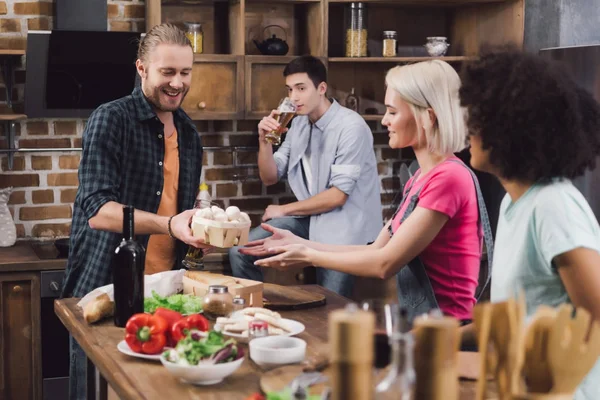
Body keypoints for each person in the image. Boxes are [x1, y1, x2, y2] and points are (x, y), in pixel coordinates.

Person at [243, 60, 494, 323]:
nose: (384, 120)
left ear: (427, 117)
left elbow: (384, 263)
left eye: (392, 112)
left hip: (447, 333)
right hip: (425, 326)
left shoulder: (448, 178)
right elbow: (377, 248)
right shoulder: (421, 177)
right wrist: (299, 243)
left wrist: (308, 255)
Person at [61, 23, 209, 400]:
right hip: (106, 289)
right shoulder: (111, 119)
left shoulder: (190, 134)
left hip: (165, 297)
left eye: (185, 72)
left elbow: (179, 208)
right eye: (168, 72)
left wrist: (197, 229)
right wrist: (169, 225)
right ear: (142, 68)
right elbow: (97, 209)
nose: (178, 83)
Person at [460, 48, 600, 399]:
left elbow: (596, 317)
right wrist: (438, 336)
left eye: (479, 117)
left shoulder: (552, 205)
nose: (469, 129)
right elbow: (517, 313)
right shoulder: (515, 202)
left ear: (511, 128)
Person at [228, 55, 382, 298]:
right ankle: (253, 317)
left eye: (301, 88)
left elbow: (337, 196)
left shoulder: (351, 127)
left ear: (321, 89)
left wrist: (283, 210)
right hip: (310, 219)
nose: (294, 98)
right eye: (290, 90)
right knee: (241, 251)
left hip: (345, 228)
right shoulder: (298, 123)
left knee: (330, 303)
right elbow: (270, 176)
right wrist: (264, 142)